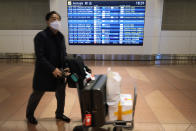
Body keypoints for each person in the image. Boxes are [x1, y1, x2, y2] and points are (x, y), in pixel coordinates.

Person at [26, 11, 70, 125]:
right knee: (37, 94)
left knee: (61, 94)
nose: (56, 21)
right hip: (44, 72)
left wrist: (65, 67)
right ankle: (30, 115)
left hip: (59, 72)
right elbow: (40, 56)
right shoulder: (41, 36)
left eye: (58, 19)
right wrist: (52, 69)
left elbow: (63, 54)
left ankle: (59, 114)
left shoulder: (61, 36)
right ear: (47, 21)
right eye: (53, 19)